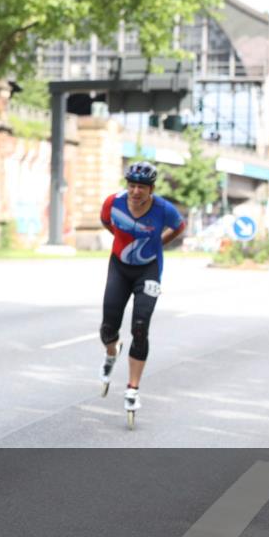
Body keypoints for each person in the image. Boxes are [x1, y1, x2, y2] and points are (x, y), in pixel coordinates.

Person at [98, 161, 186, 421]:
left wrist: (158, 243)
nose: (136, 192)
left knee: (140, 326)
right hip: (119, 267)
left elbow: (179, 227)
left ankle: (132, 389)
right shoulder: (113, 202)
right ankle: (112, 352)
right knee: (108, 327)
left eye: (142, 188)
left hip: (148, 270)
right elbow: (106, 222)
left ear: (152, 189)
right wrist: (124, 239)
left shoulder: (163, 209)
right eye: (132, 186)